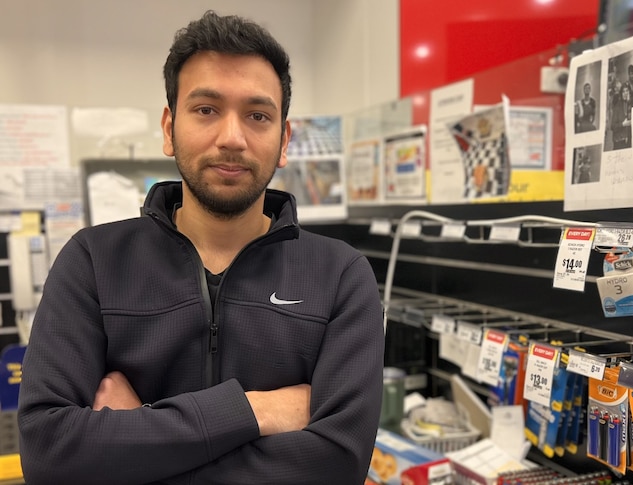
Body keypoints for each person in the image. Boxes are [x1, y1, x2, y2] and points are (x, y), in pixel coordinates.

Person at [17, 10, 384, 485]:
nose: (232, 138)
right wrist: (256, 410)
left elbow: (337, 465)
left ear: (284, 138)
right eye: (206, 109)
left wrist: (137, 431)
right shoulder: (93, 261)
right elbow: (48, 453)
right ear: (170, 129)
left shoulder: (340, 276)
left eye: (257, 115)